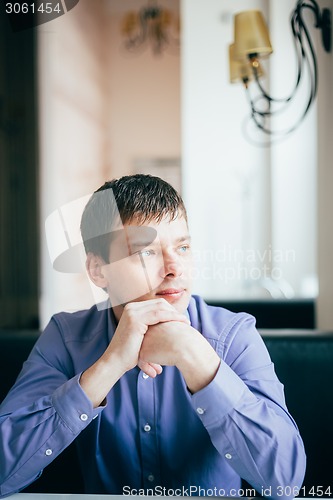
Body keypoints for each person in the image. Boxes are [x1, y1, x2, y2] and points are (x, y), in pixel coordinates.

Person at [0, 174, 306, 498]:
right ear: (97, 271)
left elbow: (283, 481)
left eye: (183, 247)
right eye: (146, 252)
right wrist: (109, 366)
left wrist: (196, 357)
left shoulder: (233, 335)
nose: (175, 268)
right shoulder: (66, 337)